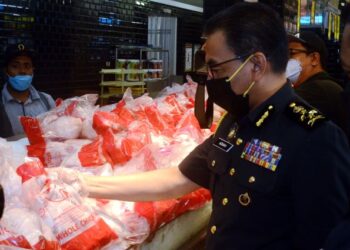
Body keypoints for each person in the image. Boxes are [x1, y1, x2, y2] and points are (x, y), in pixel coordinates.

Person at [57, 3, 350, 249]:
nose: (210, 78)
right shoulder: (237, 120)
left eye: (217, 68)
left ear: (257, 64)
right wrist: (85, 185)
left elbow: (326, 239)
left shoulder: (315, 138)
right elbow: (179, 178)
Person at [288, 31, 347, 133]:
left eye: (291, 53)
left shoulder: (319, 90)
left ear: (314, 58)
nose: (285, 59)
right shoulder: (321, 85)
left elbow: (280, 118)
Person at [0, 43, 55, 138]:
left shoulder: (47, 100)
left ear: (33, 69)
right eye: (15, 66)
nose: (22, 71)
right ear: (6, 70)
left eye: (27, 66)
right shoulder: (2, 103)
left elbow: (56, 131)